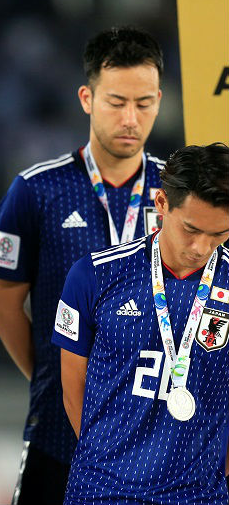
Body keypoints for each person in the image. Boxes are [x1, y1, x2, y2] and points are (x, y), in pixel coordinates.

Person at [0, 26, 165, 504]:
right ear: (87, 97)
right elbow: (3, 305)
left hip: (163, 435)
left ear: (159, 100)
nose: (131, 118)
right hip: (59, 432)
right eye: (116, 101)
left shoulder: (181, 197)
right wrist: (55, 372)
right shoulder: (36, 191)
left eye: (144, 103)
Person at [52, 143, 229, 504]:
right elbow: (73, 386)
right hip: (99, 491)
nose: (202, 247)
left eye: (220, 234)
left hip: (198, 495)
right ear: (162, 203)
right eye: (191, 229)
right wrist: (106, 462)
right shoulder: (94, 275)